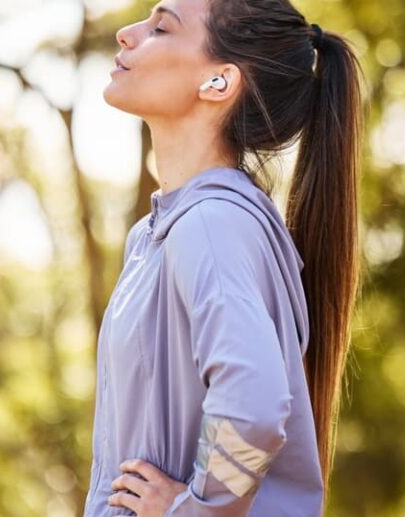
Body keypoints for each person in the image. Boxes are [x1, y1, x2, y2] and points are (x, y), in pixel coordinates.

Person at [83, 0, 365, 515]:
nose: (127, 34)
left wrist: (193, 509)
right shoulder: (155, 235)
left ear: (219, 82)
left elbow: (254, 405)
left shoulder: (213, 223)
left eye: (160, 26)